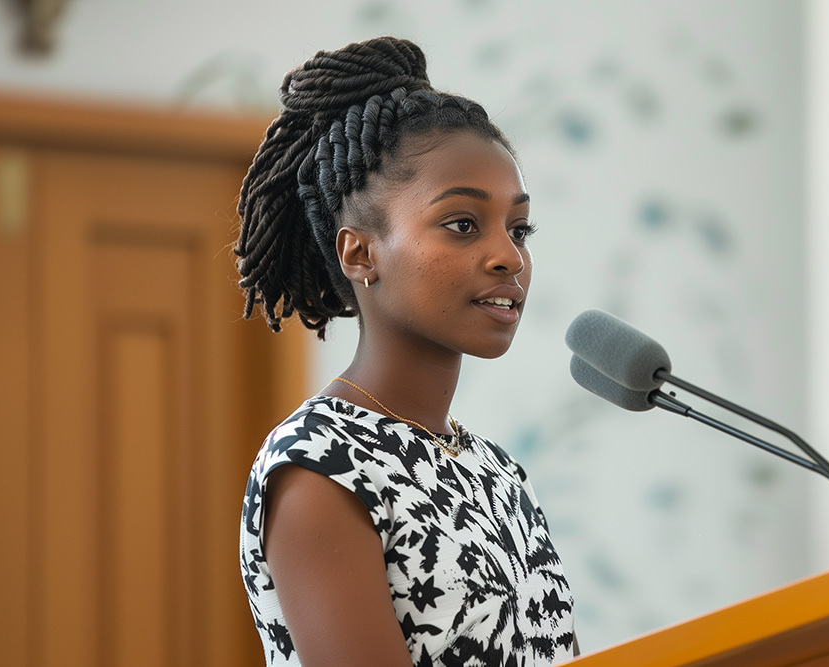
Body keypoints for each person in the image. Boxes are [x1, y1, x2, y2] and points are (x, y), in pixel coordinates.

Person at [236, 36, 576, 666]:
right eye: (463, 224)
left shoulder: (492, 469)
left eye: (519, 228)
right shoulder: (320, 469)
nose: (509, 256)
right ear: (360, 253)